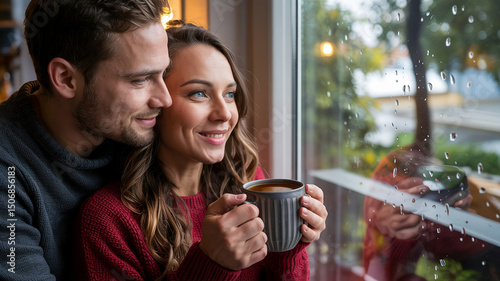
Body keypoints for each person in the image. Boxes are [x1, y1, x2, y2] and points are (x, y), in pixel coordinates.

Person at [73, 23, 328, 281]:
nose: (225, 113)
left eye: (229, 94)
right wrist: (211, 264)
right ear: (157, 104)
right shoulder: (108, 220)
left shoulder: (247, 184)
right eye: (199, 93)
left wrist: (289, 246)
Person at [0, 0, 171, 280]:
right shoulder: (7, 171)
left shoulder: (133, 128)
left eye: (164, 72)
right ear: (66, 79)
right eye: (140, 80)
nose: (165, 99)